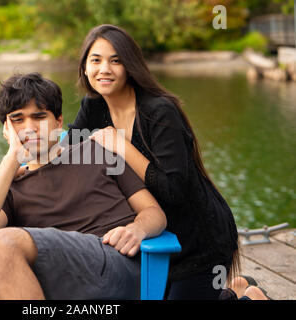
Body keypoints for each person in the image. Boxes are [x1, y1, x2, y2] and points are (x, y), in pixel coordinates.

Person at [0, 72, 167, 300]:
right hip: (49, 280)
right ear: (6, 131)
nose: (29, 128)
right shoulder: (9, 185)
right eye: (17, 120)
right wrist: (11, 159)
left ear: (58, 122)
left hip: (109, 262)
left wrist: (137, 230)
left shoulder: (96, 152)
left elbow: (153, 212)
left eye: (39, 117)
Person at [67, 24, 240, 300]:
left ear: (130, 66)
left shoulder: (159, 112)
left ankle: (245, 297)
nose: (104, 69)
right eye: (95, 60)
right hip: (152, 239)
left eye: (116, 61)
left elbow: (173, 190)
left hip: (198, 241)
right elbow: (67, 155)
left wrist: (120, 145)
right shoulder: (93, 108)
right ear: (85, 68)